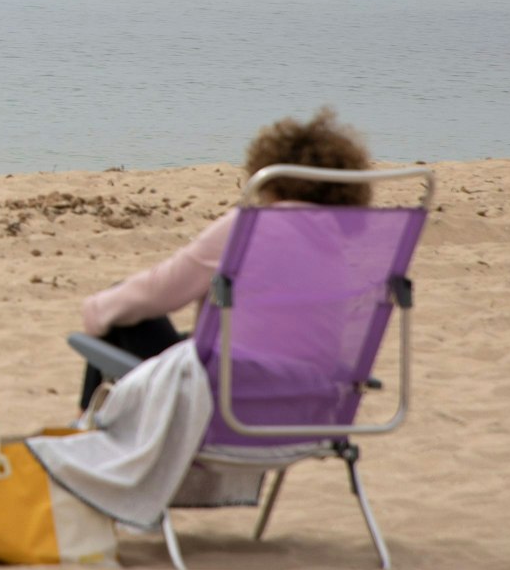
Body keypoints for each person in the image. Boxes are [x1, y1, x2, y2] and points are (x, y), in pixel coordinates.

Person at [76, 108, 373, 410]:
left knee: (120, 311)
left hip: (228, 400)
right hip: (305, 402)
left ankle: (83, 427)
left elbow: (159, 291)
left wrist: (95, 311)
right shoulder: (334, 244)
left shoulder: (248, 228)